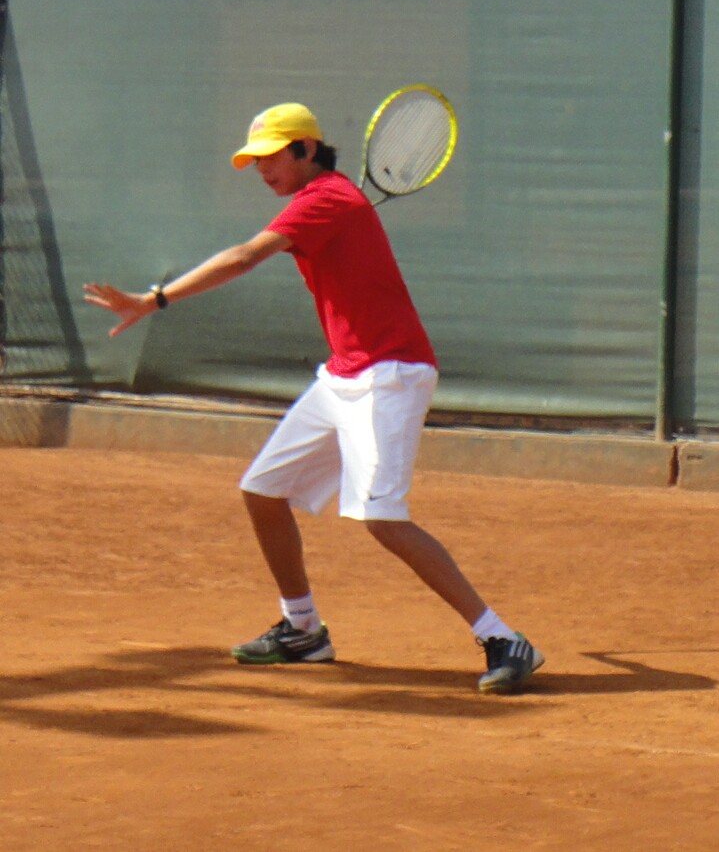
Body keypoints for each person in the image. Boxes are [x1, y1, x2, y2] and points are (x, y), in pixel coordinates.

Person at [84, 102, 544, 694]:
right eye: (256, 161)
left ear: (305, 149)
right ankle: (303, 629)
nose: (263, 170)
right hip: (344, 375)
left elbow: (246, 256)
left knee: (382, 518)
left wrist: (155, 300)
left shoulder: (327, 199)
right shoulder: (324, 203)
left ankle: (503, 637)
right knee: (262, 490)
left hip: (391, 374)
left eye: (272, 156)